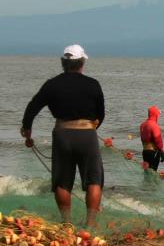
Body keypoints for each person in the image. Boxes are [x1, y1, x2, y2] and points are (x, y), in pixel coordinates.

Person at [20, 45, 105, 228]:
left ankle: (67, 224)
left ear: (63, 63)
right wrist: (91, 128)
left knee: (62, 181)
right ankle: (90, 224)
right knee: (94, 180)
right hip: (87, 134)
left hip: (62, 134)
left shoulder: (52, 84)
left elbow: (32, 107)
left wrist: (27, 129)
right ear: (82, 63)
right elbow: (101, 114)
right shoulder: (93, 84)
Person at [140, 106, 164, 171]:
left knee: (146, 172)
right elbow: (158, 139)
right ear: (155, 115)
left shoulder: (143, 124)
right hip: (153, 152)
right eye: (158, 115)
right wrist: (161, 151)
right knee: (153, 172)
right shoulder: (154, 125)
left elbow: (142, 139)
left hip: (145, 152)